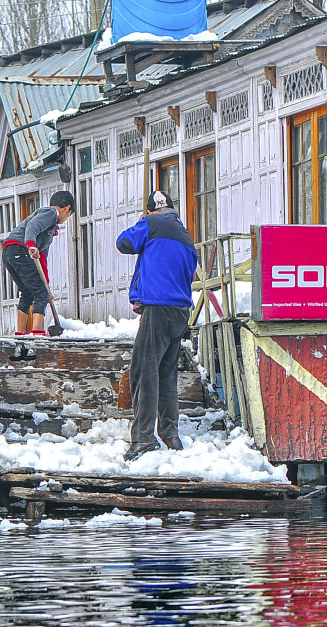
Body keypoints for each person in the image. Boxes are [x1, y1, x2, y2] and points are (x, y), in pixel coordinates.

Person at [116, 190, 198, 461]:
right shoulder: (186, 238)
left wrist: (142, 222)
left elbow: (124, 243)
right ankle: (170, 435)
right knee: (166, 375)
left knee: (144, 371)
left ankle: (143, 438)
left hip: (159, 309)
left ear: (151, 211)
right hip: (180, 312)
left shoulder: (150, 224)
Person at [2, 190, 74, 351]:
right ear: (67, 208)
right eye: (68, 215)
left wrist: (47, 286)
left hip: (10, 251)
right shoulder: (50, 213)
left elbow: (41, 259)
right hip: (20, 249)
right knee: (39, 293)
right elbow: (33, 227)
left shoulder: (49, 230)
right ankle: (37, 333)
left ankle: (20, 333)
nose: (64, 220)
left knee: (28, 292)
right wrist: (30, 244)